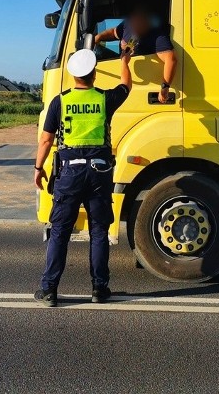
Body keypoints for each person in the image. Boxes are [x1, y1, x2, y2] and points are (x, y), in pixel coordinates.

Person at [33, 47, 132, 307]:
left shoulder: (60, 101)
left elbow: (46, 140)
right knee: (99, 231)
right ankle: (99, 289)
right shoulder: (104, 99)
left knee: (60, 232)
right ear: (94, 74)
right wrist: (124, 60)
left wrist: (38, 167)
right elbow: (126, 86)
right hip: (99, 172)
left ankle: (50, 290)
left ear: (72, 75)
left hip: (69, 172)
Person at [94, 6, 176, 104]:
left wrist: (165, 88)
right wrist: (98, 37)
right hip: (122, 79)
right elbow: (114, 32)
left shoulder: (157, 36)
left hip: (140, 84)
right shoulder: (127, 25)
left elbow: (171, 60)